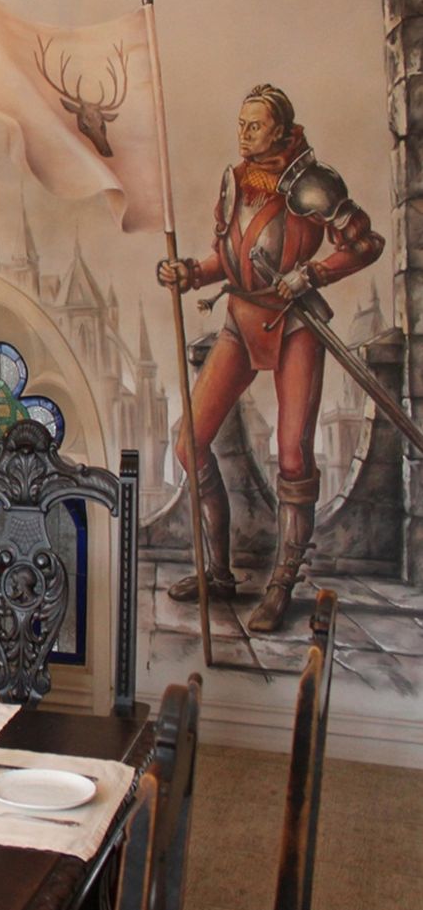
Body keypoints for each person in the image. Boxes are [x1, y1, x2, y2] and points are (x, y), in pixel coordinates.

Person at [156, 84, 384, 632]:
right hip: (242, 319)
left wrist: (314, 273)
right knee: (189, 442)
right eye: (241, 124)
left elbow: (365, 243)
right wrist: (192, 273)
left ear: (280, 130)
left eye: (254, 126)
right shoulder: (235, 181)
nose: (243, 134)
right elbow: (228, 257)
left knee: (293, 458)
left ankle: (281, 584)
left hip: (296, 323)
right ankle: (218, 572)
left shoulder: (312, 182)